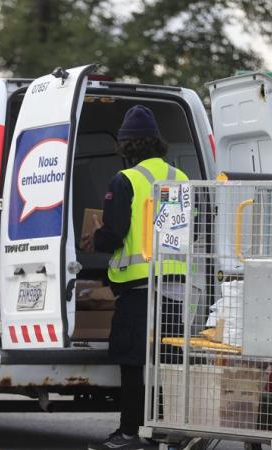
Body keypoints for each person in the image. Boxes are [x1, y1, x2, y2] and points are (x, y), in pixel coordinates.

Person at [82, 105, 187, 450]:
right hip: (177, 288)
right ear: (157, 144)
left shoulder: (125, 180)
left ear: (126, 146)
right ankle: (165, 431)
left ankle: (130, 433)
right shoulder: (182, 179)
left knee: (133, 362)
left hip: (139, 290)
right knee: (167, 364)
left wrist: (93, 238)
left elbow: (114, 235)